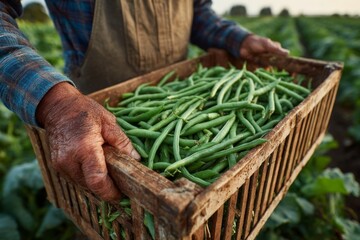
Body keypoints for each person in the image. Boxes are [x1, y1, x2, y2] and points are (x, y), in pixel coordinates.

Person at [0, 0, 289, 202]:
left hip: (181, 85)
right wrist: (57, 104)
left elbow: (196, 10)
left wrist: (236, 39)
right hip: (95, 117)